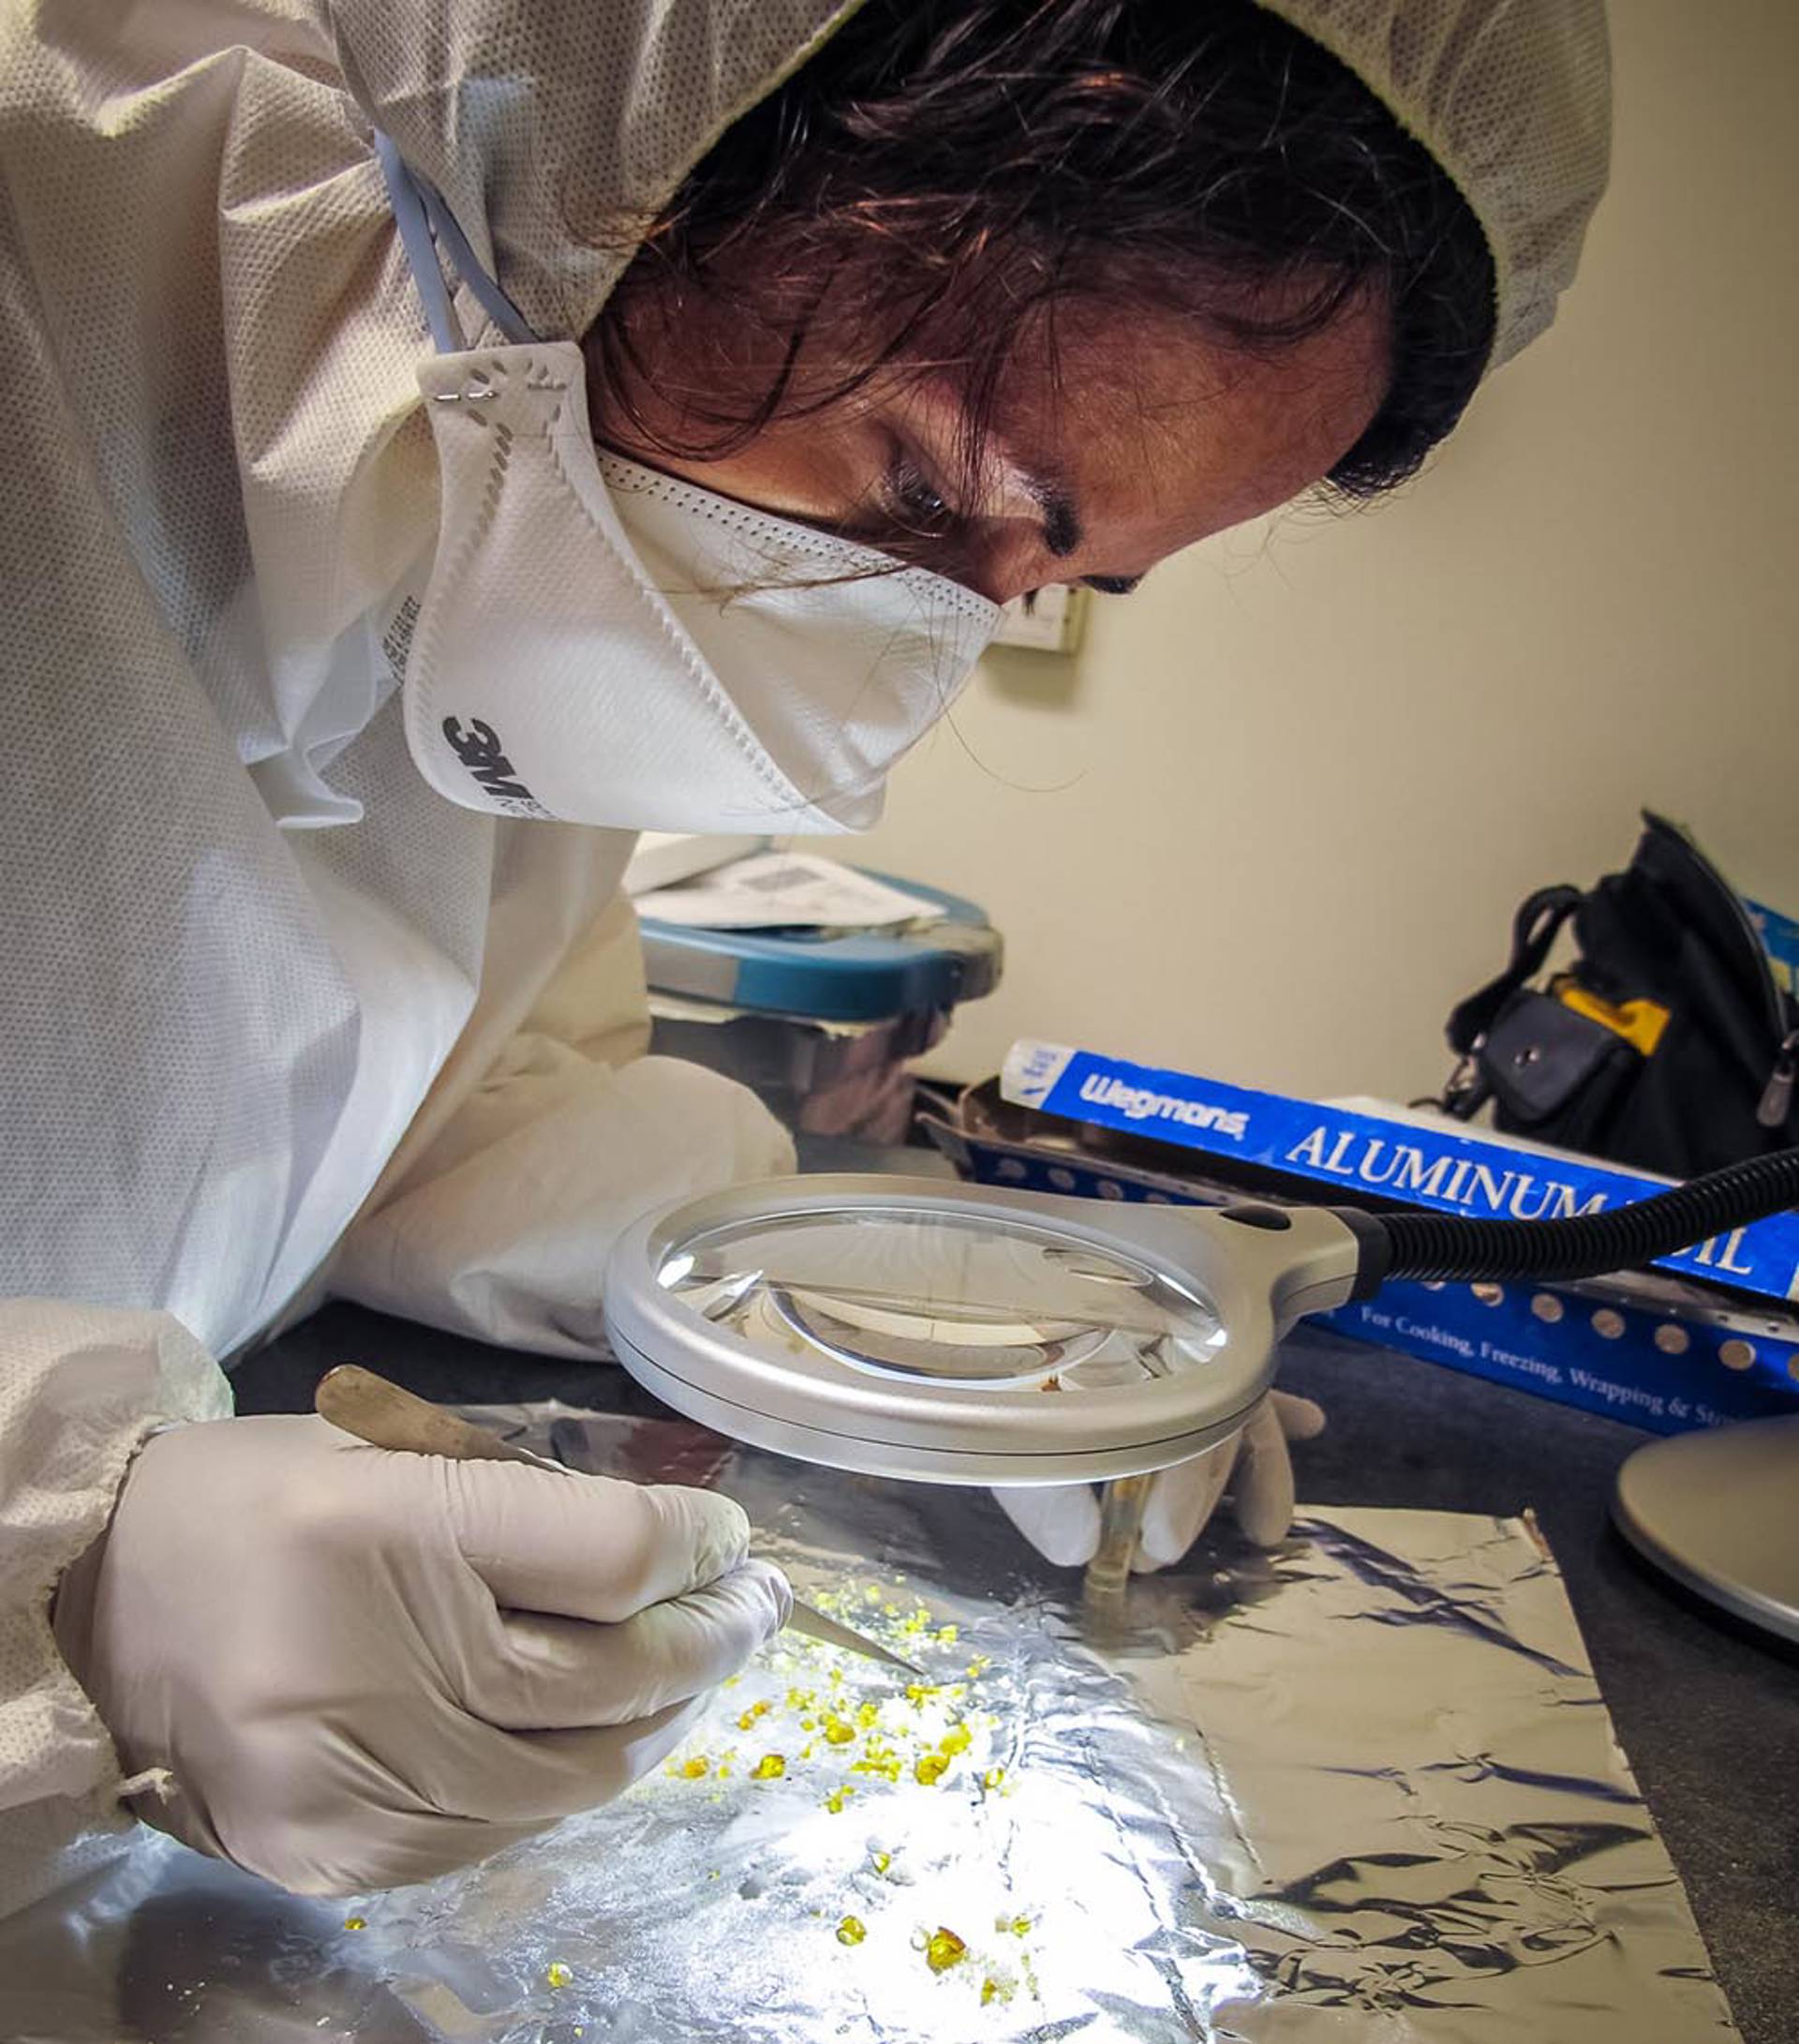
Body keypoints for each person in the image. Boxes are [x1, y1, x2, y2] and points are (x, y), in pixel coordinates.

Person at [0, 0, 1610, 1902]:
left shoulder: (502, 513)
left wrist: (896, 1305)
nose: (893, 689)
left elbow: (403, 1102)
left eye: (1051, 583)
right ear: (621, 168)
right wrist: (64, 1563)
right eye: (924, 483)